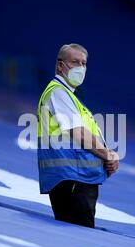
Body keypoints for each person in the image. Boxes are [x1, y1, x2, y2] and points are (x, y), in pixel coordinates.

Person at [37, 43, 119, 228]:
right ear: (60, 65)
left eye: (83, 63)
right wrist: (108, 155)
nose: (80, 68)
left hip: (77, 179)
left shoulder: (69, 96)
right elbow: (77, 132)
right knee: (79, 233)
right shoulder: (58, 92)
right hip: (73, 181)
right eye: (75, 62)